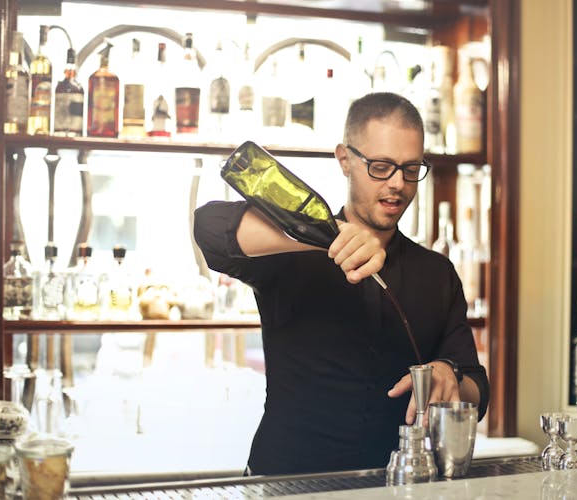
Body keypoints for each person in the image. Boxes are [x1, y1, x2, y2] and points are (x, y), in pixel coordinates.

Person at [194, 92, 489, 475]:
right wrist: (323, 235)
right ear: (345, 160)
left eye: (411, 168)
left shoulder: (436, 273)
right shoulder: (290, 254)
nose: (398, 184)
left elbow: (477, 390)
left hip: (392, 483)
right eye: (381, 166)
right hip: (285, 482)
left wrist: (451, 376)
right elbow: (208, 228)